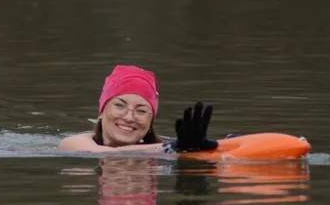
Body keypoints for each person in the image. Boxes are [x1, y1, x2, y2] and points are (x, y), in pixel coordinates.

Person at [58, 64, 219, 154]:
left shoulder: (165, 151)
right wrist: (173, 148)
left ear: (150, 121)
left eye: (141, 111)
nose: (129, 117)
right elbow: (104, 155)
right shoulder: (73, 143)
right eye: (119, 105)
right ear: (101, 112)